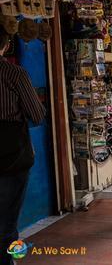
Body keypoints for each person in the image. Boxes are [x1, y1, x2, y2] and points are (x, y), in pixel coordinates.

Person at [0, 27, 46, 265]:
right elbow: (37, 115)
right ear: (6, 46)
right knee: (8, 217)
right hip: (11, 155)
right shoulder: (14, 74)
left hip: (11, 154)